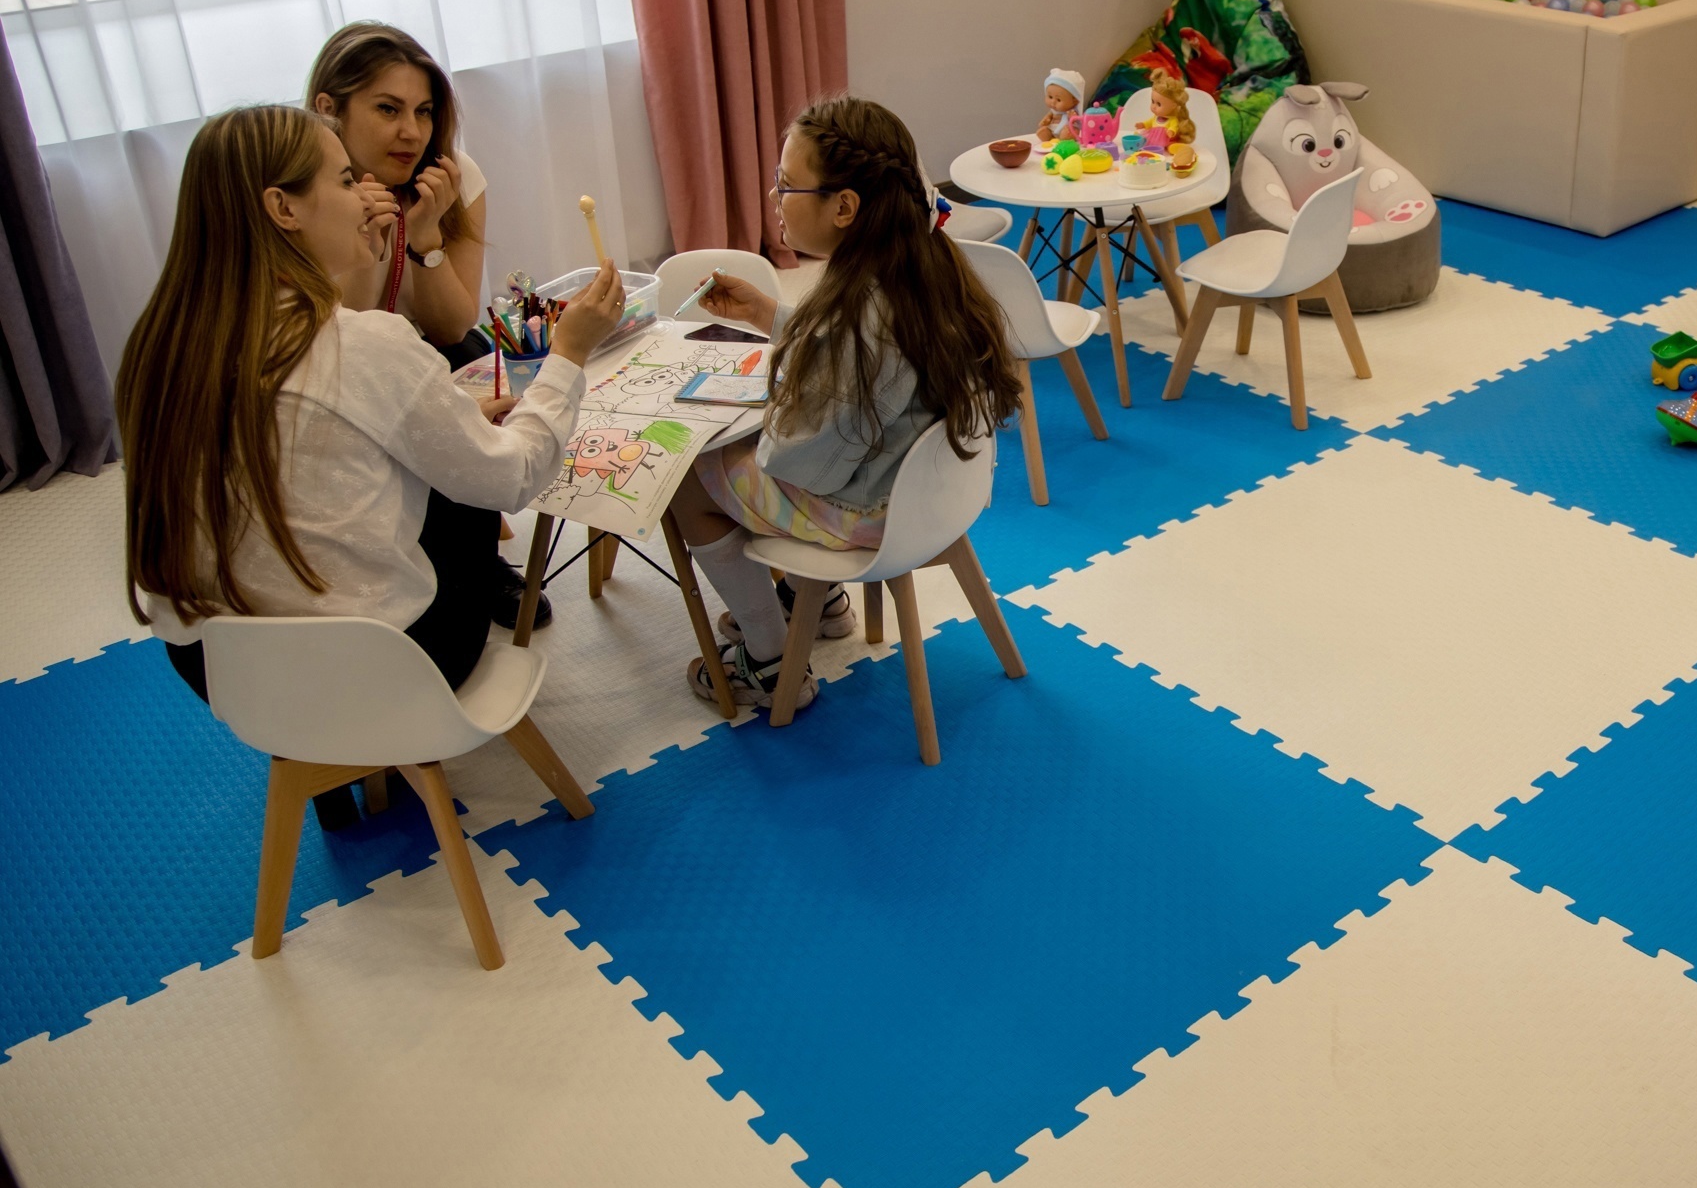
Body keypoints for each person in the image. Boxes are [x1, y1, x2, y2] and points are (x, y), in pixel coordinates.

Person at [116, 106, 623, 818]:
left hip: (227, 676)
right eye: (347, 179)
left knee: (392, 477)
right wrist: (569, 352)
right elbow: (514, 476)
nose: (369, 196)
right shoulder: (362, 345)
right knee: (464, 495)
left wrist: (439, 419)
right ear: (283, 208)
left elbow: (308, 439)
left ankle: (326, 775)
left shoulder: (163, 349)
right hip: (381, 673)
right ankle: (368, 740)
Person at [668, 94, 1021, 708]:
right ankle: (820, 602)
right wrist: (768, 314)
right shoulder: (918, 260)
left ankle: (768, 660)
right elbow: (855, 358)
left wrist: (765, 415)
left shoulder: (861, 313)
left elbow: (799, 462)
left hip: (872, 511)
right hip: (931, 489)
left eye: (787, 185)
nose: (774, 197)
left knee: (687, 479)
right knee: (738, 444)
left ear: (844, 207)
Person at [305, 21, 543, 627]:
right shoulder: (306, 192)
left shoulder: (452, 173)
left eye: (424, 111)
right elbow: (342, 336)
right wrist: (366, 239)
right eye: (387, 109)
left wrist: (425, 239)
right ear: (329, 109)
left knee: (468, 360)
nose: (411, 132)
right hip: (335, 358)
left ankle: (479, 557)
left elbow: (452, 323)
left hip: (422, 345)